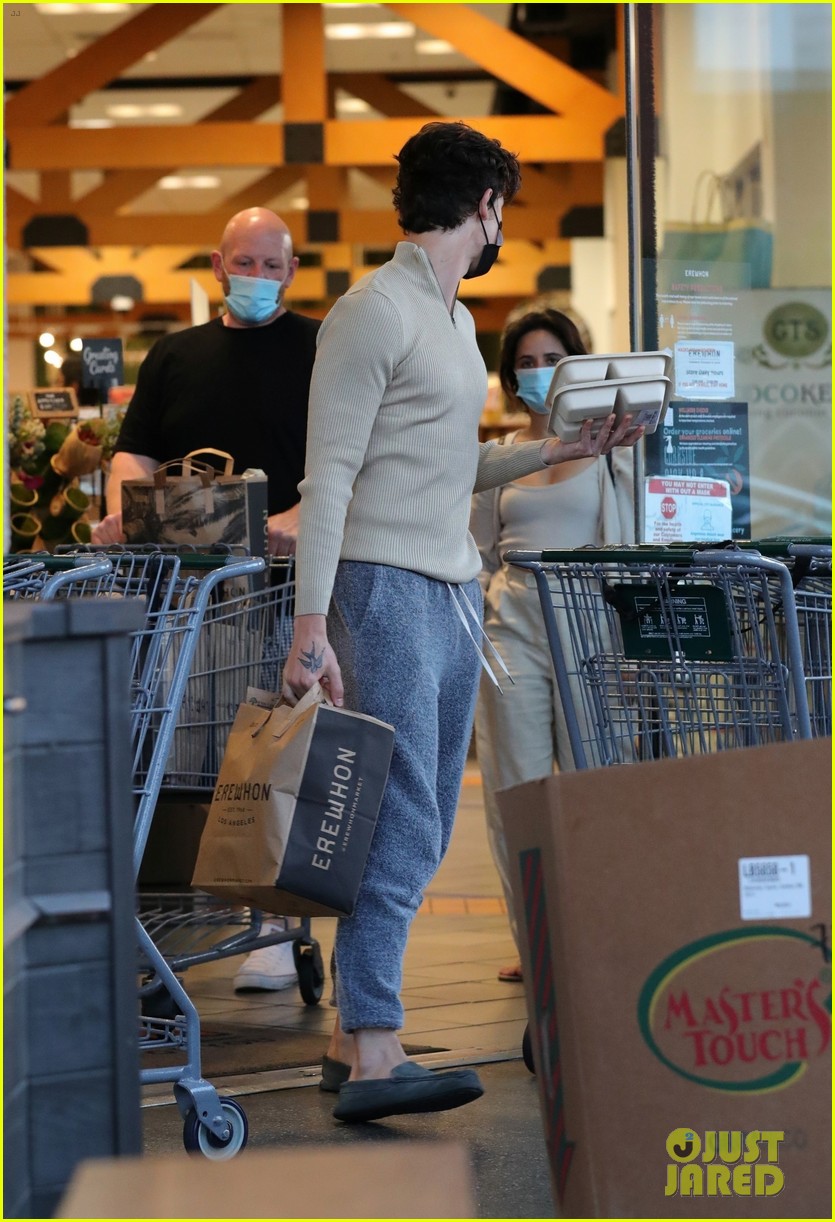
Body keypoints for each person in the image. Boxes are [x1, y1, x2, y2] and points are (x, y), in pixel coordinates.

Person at [281, 121, 644, 1124]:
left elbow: (448, 466)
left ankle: (357, 1029)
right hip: (381, 588)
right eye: (502, 209)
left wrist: (562, 447)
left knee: (424, 817)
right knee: (399, 815)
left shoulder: (447, 317)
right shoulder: (373, 311)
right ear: (484, 203)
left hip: (446, 588)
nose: (500, 226)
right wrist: (312, 619)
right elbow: (331, 478)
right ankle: (378, 1048)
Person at [93, 207, 320, 994]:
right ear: (217, 266)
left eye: (272, 265)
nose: (257, 277)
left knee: (276, 746)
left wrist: (299, 519)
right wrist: (130, 504)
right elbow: (135, 449)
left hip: (284, 584)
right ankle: (192, 912)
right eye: (243, 263)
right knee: (196, 754)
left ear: (291, 271)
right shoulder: (176, 354)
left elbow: (343, 455)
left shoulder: (318, 348)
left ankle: (277, 917)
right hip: (193, 588)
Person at [470, 307, 635, 985]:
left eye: (551, 360)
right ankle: (534, 940)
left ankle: (607, 929)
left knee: (599, 785)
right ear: (509, 377)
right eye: (525, 364)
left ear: (579, 368)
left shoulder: (614, 448)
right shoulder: (503, 455)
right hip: (512, 627)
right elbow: (476, 549)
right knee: (518, 792)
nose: (537, 374)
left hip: (594, 627)